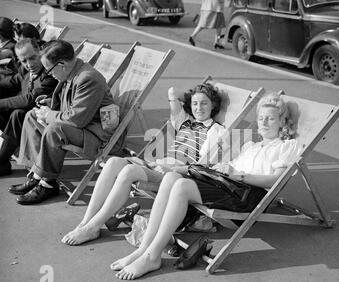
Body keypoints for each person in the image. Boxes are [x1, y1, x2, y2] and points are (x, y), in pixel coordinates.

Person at [111, 92, 301, 280]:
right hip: (229, 186)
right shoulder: (250, 146)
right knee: (171, 177)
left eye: (270, 119)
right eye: (261, 118)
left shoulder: (286, 146)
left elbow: (276, 180)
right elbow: (229, 170)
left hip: (249, 197)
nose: (264, 122)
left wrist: (240, 176)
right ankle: (145, 249)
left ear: (283, 122)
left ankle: (152, 256)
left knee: (182, 187)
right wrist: (222, 168)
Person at [61, 83, 226, 246]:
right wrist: (194, 95)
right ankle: (87, 221)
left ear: (214, 106)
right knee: (113, 162)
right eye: (195, 104)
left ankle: (93, 227)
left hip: (176, 175)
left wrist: (170, 168)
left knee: (129, 171)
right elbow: (172, 91)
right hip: (159, 166)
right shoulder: (184, 121)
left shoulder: (216, 130)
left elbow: (201, 168)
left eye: (204, 103)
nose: (199, 108)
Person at [8, 39, 114, 205]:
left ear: (62, 65)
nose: (49, 75)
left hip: (96, 136)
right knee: (31, 116)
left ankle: (48, 184)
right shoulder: (73, 72)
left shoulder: (88, 79)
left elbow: (76, 119)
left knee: (55, 130)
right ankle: (37, 175)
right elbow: (73, 104)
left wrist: (50, 115)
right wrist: (50, 102)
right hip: (83, 127)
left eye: (50, 71)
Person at [0, 38, 58, 176]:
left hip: (44, 120)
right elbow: (8, 83)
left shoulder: (50, 72)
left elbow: (30, 100)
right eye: (24, 61)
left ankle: (1, 160)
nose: (29, 64)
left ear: (39, 51)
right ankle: (3, 160)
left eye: (32, 58)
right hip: (24, 121)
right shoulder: (25, 70)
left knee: (18, 114)